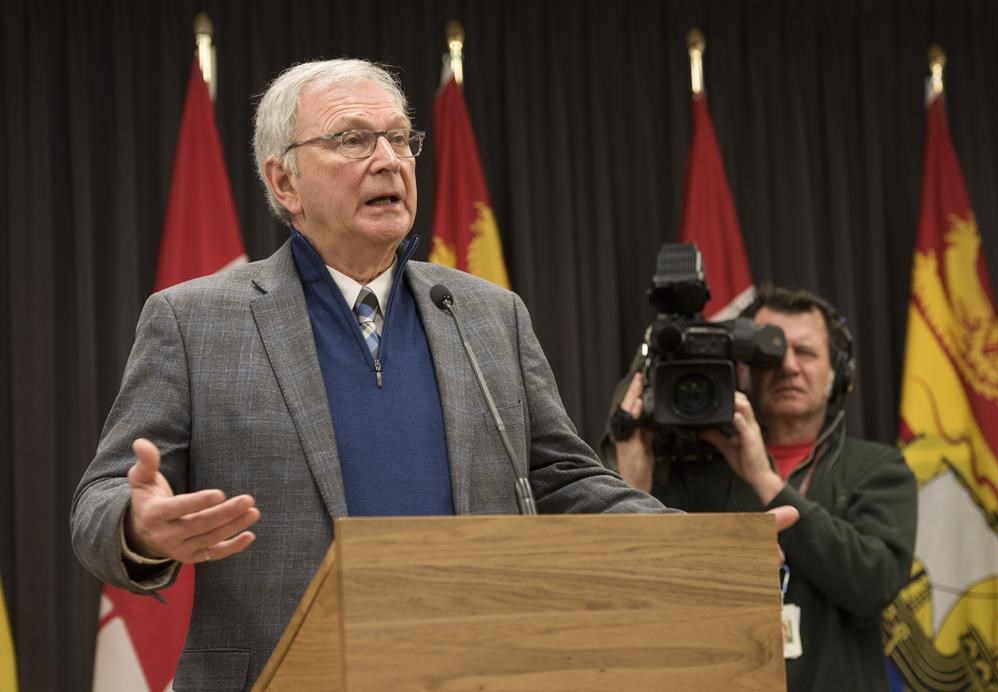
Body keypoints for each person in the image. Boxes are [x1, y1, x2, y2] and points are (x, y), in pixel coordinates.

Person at [70, 59, 797, 690]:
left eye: (400, 138)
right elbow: (99, 502)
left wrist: (699, 548)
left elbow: (564, 480)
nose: (388, 159)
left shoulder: (486, 315)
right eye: (353, 139)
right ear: (284, 181)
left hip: (474, 668)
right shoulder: (196, 320)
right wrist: (139, 527)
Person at [602, 285, 917, 692]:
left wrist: (764, 480)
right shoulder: (694, 471)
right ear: (744, 371)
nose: (788, 367)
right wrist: (633, 474)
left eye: (806, 352)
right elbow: (638, 587)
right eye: (771, 354)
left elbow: (873, 586)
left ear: (839, 372)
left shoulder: (878, 468)